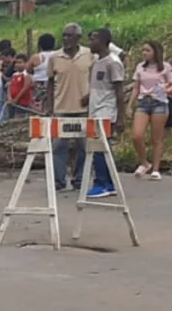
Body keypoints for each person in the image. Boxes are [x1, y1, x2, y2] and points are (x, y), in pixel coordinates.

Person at [47, 23, 93, 191]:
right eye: (64, 35)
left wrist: (90, 95)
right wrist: (50, 107)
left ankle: (79, 179)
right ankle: (58, 181)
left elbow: (95, 78)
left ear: (78, 38)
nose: (66, 39)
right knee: (59, 146)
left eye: (70, 36)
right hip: (62, 108)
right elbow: (50, 83)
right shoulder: (55, 57)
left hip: (83, 110)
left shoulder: (88, 54)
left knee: (83, 146)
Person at [129, 40, 172, 180]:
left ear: (156, 52)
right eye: (143, 50)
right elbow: (136, 87)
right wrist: (130, 105)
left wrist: (167, 91)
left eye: (148, 50)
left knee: (157, 138)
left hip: (159, 102)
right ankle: (144, 162)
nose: (144, 53)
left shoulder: (165, 67)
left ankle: (156, 168)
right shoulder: (140, 67)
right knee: (137, 135)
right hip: (143, 101)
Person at [86, 28, 125, 198]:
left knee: (101, 146)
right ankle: (106, 182)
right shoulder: (96, 62)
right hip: (94, 109)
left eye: (93, 39)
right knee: (97, 147)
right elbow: (98, 87)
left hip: (106, 110)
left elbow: (119, 91)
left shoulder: (113, 62)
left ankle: (103, 183)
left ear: (103, 41)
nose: (90, 43)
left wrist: (121, 117)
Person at [29, 33, 56, 113]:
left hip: (40, 85)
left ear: (40, 45)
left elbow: (27, 69)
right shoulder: (57, 55)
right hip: (54, 84)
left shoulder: (36, 57)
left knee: (39, 109)